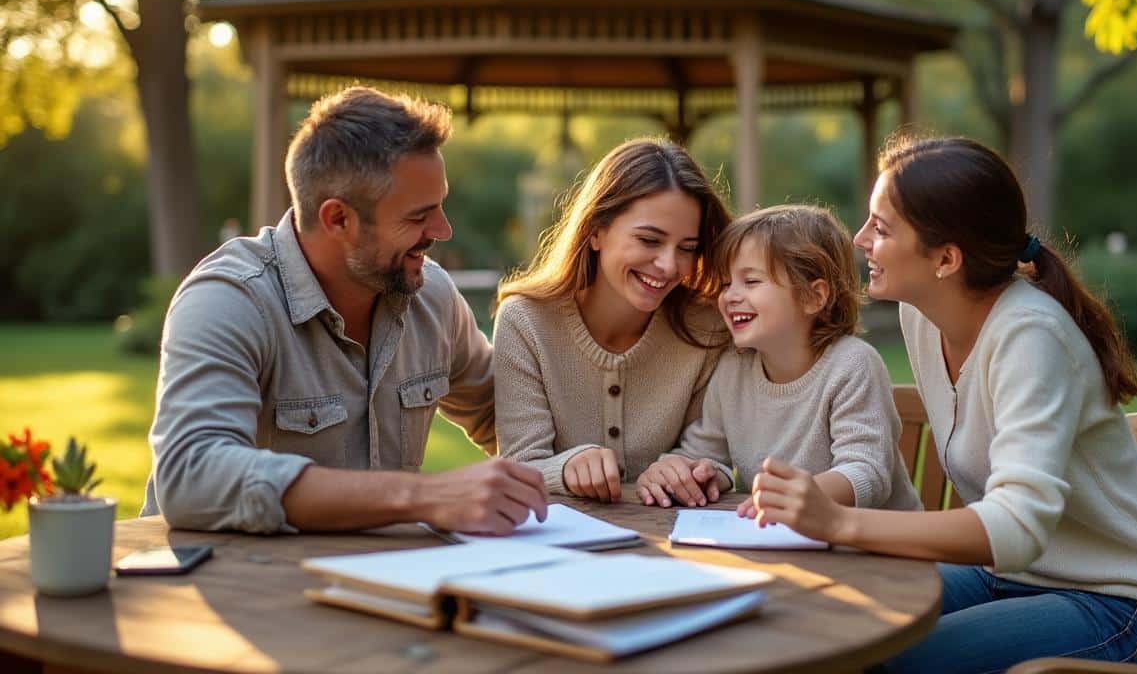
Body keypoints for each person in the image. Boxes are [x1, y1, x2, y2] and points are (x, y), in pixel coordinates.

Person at [750, 137, 1137, 672]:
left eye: (882, 229)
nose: (861, 238)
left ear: (946, 259)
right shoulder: (923, 316)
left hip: (1113, 604)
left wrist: (839, 523)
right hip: (1009, 576)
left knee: (887, 659)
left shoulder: (1031, 335)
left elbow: (1016, 528)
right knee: (823, 615)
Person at [142, 87, 548, 535]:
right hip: (235, 588)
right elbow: (190, 474)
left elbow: (512, 416)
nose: (443, 230)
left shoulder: (431, 296)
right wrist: (423, 497)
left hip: (381, 585)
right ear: (338, 219)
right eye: (418, 216)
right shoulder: (230, 300)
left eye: (440, 207)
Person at [636, 205, 921, 514]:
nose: (730, 296)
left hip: (878, 550)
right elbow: (706, 453)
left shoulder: (852, 365)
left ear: (814, 297)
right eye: (726, 283)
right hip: (784, 545)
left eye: (752, 281)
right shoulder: (733, 369)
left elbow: (868, 473)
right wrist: (689, 472)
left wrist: (793, 496)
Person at [494, 138, 732, 503]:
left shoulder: (709, 327)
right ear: (595, 231)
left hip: (679, 549)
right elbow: (521, 466)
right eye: (649, 240)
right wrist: (567, 467)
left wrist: (688, 469)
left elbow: (715, 454)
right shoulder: (525, 322)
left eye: (687, 248)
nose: (669, 266)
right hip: (560, 550)